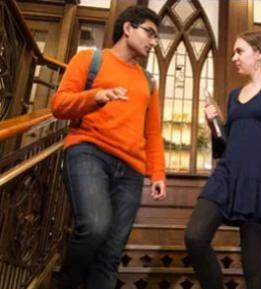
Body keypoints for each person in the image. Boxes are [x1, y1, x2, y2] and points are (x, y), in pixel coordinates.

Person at [51, 6, 166, 289]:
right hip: (89, 152)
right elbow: (59, 105)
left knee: (111, 252)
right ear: (128, 28)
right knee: (94, 227)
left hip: (131, 170)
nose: (154, 42)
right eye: (150, 33)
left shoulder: (149, 82)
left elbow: (152, 132)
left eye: (156, 37)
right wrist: (96, 96)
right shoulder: (89, 60)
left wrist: (158, 174)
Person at [184, 31, 261, 289]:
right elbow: (225, 145)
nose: (234, 58)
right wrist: (213, 123)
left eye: (240, 51)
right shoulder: (233, 95)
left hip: (258, 179)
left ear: (259, 53)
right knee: (194, 237)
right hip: (226, 176)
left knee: (254, 270)